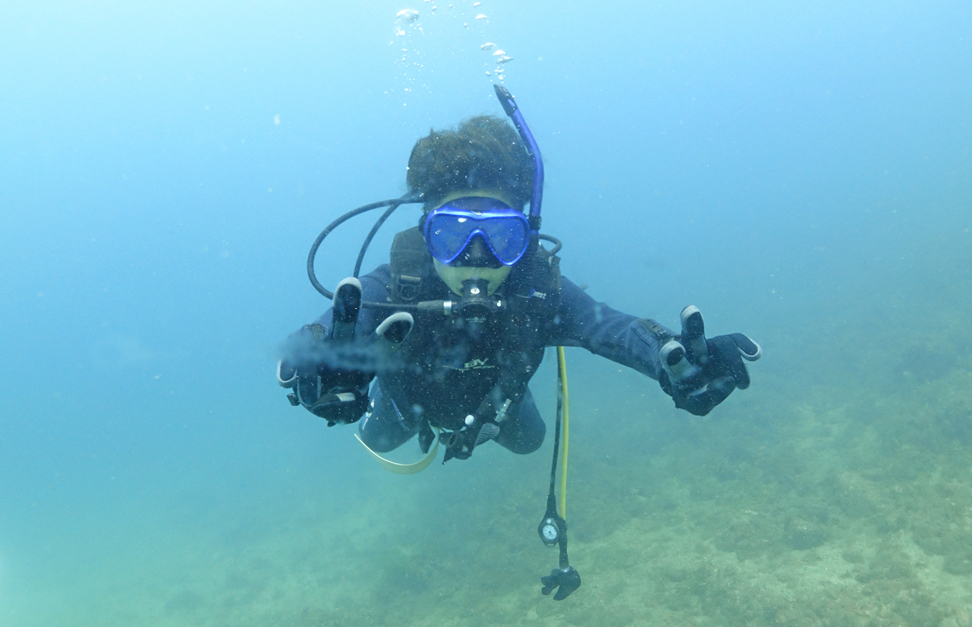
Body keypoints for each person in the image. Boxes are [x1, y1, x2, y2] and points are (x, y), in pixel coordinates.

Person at [277, 89, 761, 466]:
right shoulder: (394, 289)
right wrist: (317, 359)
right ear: (426, 235)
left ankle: (499, 409)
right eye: (454, 234)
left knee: (531, 441)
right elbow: (334, 327)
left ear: (524, 239)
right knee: (376, 438)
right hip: (406, 405)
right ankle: (397, 404)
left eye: (502, 237)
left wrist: (670, 359)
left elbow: (615, 329)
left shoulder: (537, 290)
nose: (477, 258)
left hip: (498, 405)